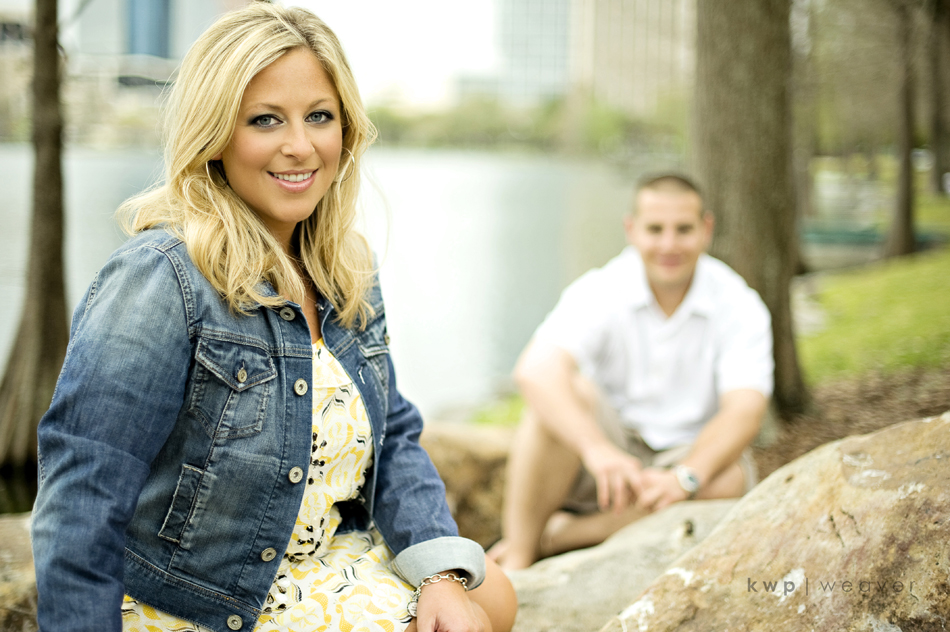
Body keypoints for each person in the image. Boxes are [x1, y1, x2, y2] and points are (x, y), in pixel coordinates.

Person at [30, 4, 516, 632]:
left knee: (488, 590)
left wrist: (439, 575)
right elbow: (81, 497)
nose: (300, 146)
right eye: (265, 119)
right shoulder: (161, 279)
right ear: (215, 134)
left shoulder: (345, 266)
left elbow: (393, 435)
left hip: (315, 561)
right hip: (202, 599)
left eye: (319, 116)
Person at [489, 174, 773, 571]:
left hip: (687, 455)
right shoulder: (603, 287)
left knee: (729, 480)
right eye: (655, 229)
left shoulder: (738, 303)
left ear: (706, 229)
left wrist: (685, 477)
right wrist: (597, 450)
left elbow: (745, 410)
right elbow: (535, 370)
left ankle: (565, 535)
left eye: (683, 229)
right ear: (632, 230)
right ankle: (519, 554)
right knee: (562, 395)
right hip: (611, 454)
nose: (669, 245)